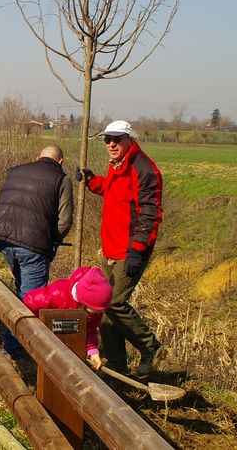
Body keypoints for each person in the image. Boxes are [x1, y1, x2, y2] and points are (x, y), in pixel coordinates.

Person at [76, 120, 165, 376]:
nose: (111, 144)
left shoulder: (144, 169)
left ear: (129, 140)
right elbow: (113, 191)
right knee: (101, 305)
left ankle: (151, 348)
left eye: (117, 139)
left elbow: (150, 213)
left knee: (115, 301)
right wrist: (92, 181)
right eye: (107, 140)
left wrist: (137, 249)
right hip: (111, 246)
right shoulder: (117, 165)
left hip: (130, 249)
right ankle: (116, 364)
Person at [0, 145, 74, 357]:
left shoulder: (15, 170)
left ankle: (19, 345)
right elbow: (66, 220)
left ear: (37, 157)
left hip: (4, 239)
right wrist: (53, 240)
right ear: (60, 161)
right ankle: (13, 351)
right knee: (32, 300)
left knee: (23, 293)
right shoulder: (61, 179)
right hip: (33, 245)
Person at [23, 266, 113, 370]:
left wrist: (92, 350)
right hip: (48, 333)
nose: (102, 312)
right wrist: (36, 325)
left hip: (67, 341)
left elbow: (90, 329)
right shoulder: (57, 294)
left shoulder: (95, 312)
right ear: (84, 302)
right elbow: (29, 301)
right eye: (98, 309)